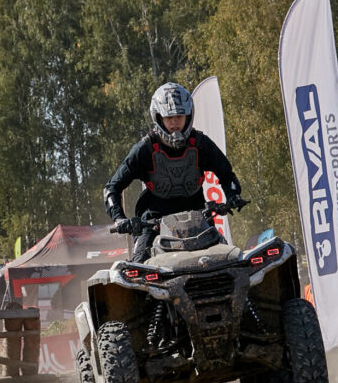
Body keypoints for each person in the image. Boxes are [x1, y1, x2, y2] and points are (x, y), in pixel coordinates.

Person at [103, 82, 243, 262]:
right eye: (169, 117)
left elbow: (226, 174)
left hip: (199, 219)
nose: (175, 122)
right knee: (138, 267)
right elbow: (111, 188)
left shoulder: (200, 143)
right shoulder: (145, 149)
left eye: (179, 116)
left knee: (229, 260)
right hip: (154, 224)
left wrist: (233, 196)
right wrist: (119, 219)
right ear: (159, 117)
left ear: (188, 115)